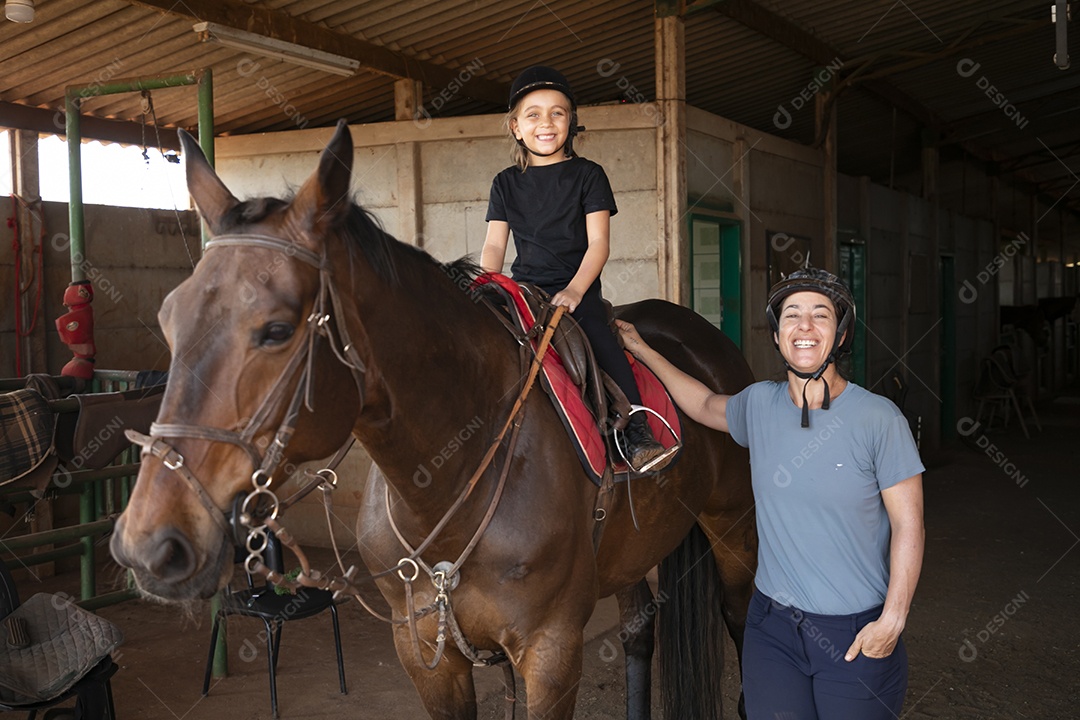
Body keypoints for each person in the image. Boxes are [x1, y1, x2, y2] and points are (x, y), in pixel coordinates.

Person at [617, 267, 925, 719]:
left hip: (854, 632)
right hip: (772, 630)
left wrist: (893, 619)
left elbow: (908, 525)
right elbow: (702, 403)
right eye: (791, 316)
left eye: (820, 315)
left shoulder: (880, 420)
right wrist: (642, 349)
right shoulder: (759, 404)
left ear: (840, 335)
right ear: (778, 336)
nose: (804, 326)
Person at [481, 65, 670, 471]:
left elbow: (599, 244)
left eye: (557, 113)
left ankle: (636, 428)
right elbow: (495, 243)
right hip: (524, 291)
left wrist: (575, 291)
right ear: (515, 126)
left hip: (576, 291)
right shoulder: (505, 183)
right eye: (533, 114)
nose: (545, 123)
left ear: (571, 122)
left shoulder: (588, 175)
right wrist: (488, 284)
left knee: (600, 342)